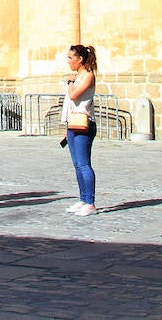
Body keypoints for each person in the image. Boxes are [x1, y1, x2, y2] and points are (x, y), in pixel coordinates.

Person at [62, 44, 99, 216]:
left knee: (84, 164)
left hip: (85, 123)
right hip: (73, 123)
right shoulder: (79, 75)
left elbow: (74, 95)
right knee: (77, 165)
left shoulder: (88, 76)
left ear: (80, 59)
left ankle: (90, 203)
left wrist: (70, 83)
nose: (68, 61)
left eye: (71, 58)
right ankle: (83, 199)